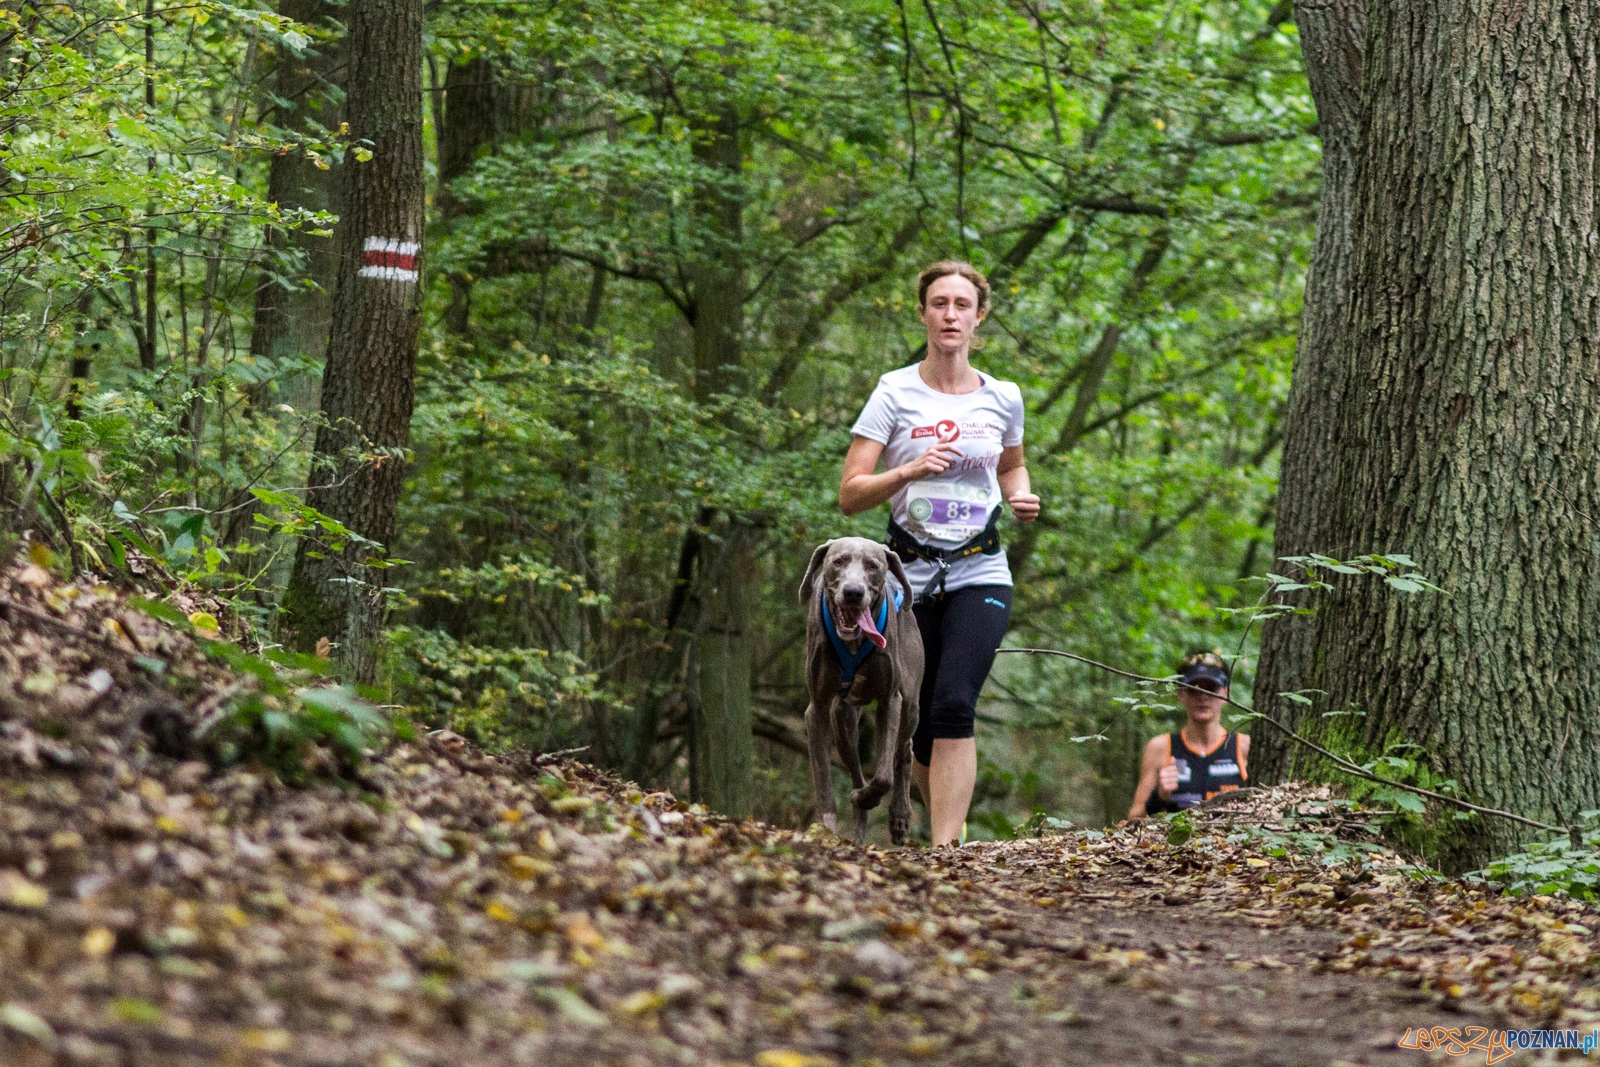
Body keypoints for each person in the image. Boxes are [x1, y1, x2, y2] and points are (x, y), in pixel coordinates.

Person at [839, 260, 1040, 847]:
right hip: (906, 573)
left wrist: (1020, 496)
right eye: (939, 303)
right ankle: (943, 824)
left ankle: (946, 849)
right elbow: (851, 495)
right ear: (923, 312)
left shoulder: (1003, 396)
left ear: (980, 317)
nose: (950, 314)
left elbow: (1012, 465)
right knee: (917, 714)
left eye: (962, 305)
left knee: (954, 702)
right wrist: (909, 468)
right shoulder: (893, 391)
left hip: (981, 569)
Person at [1127, 651, 1250, 819]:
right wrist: (1159, 797)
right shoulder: (1161, 747)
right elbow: (1132, 820)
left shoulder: (1244, 746)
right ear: (1180, 694)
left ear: (1225, 693)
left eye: (1210, 688)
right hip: (1177, 844)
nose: (1203, 696)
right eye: (1194, 688)